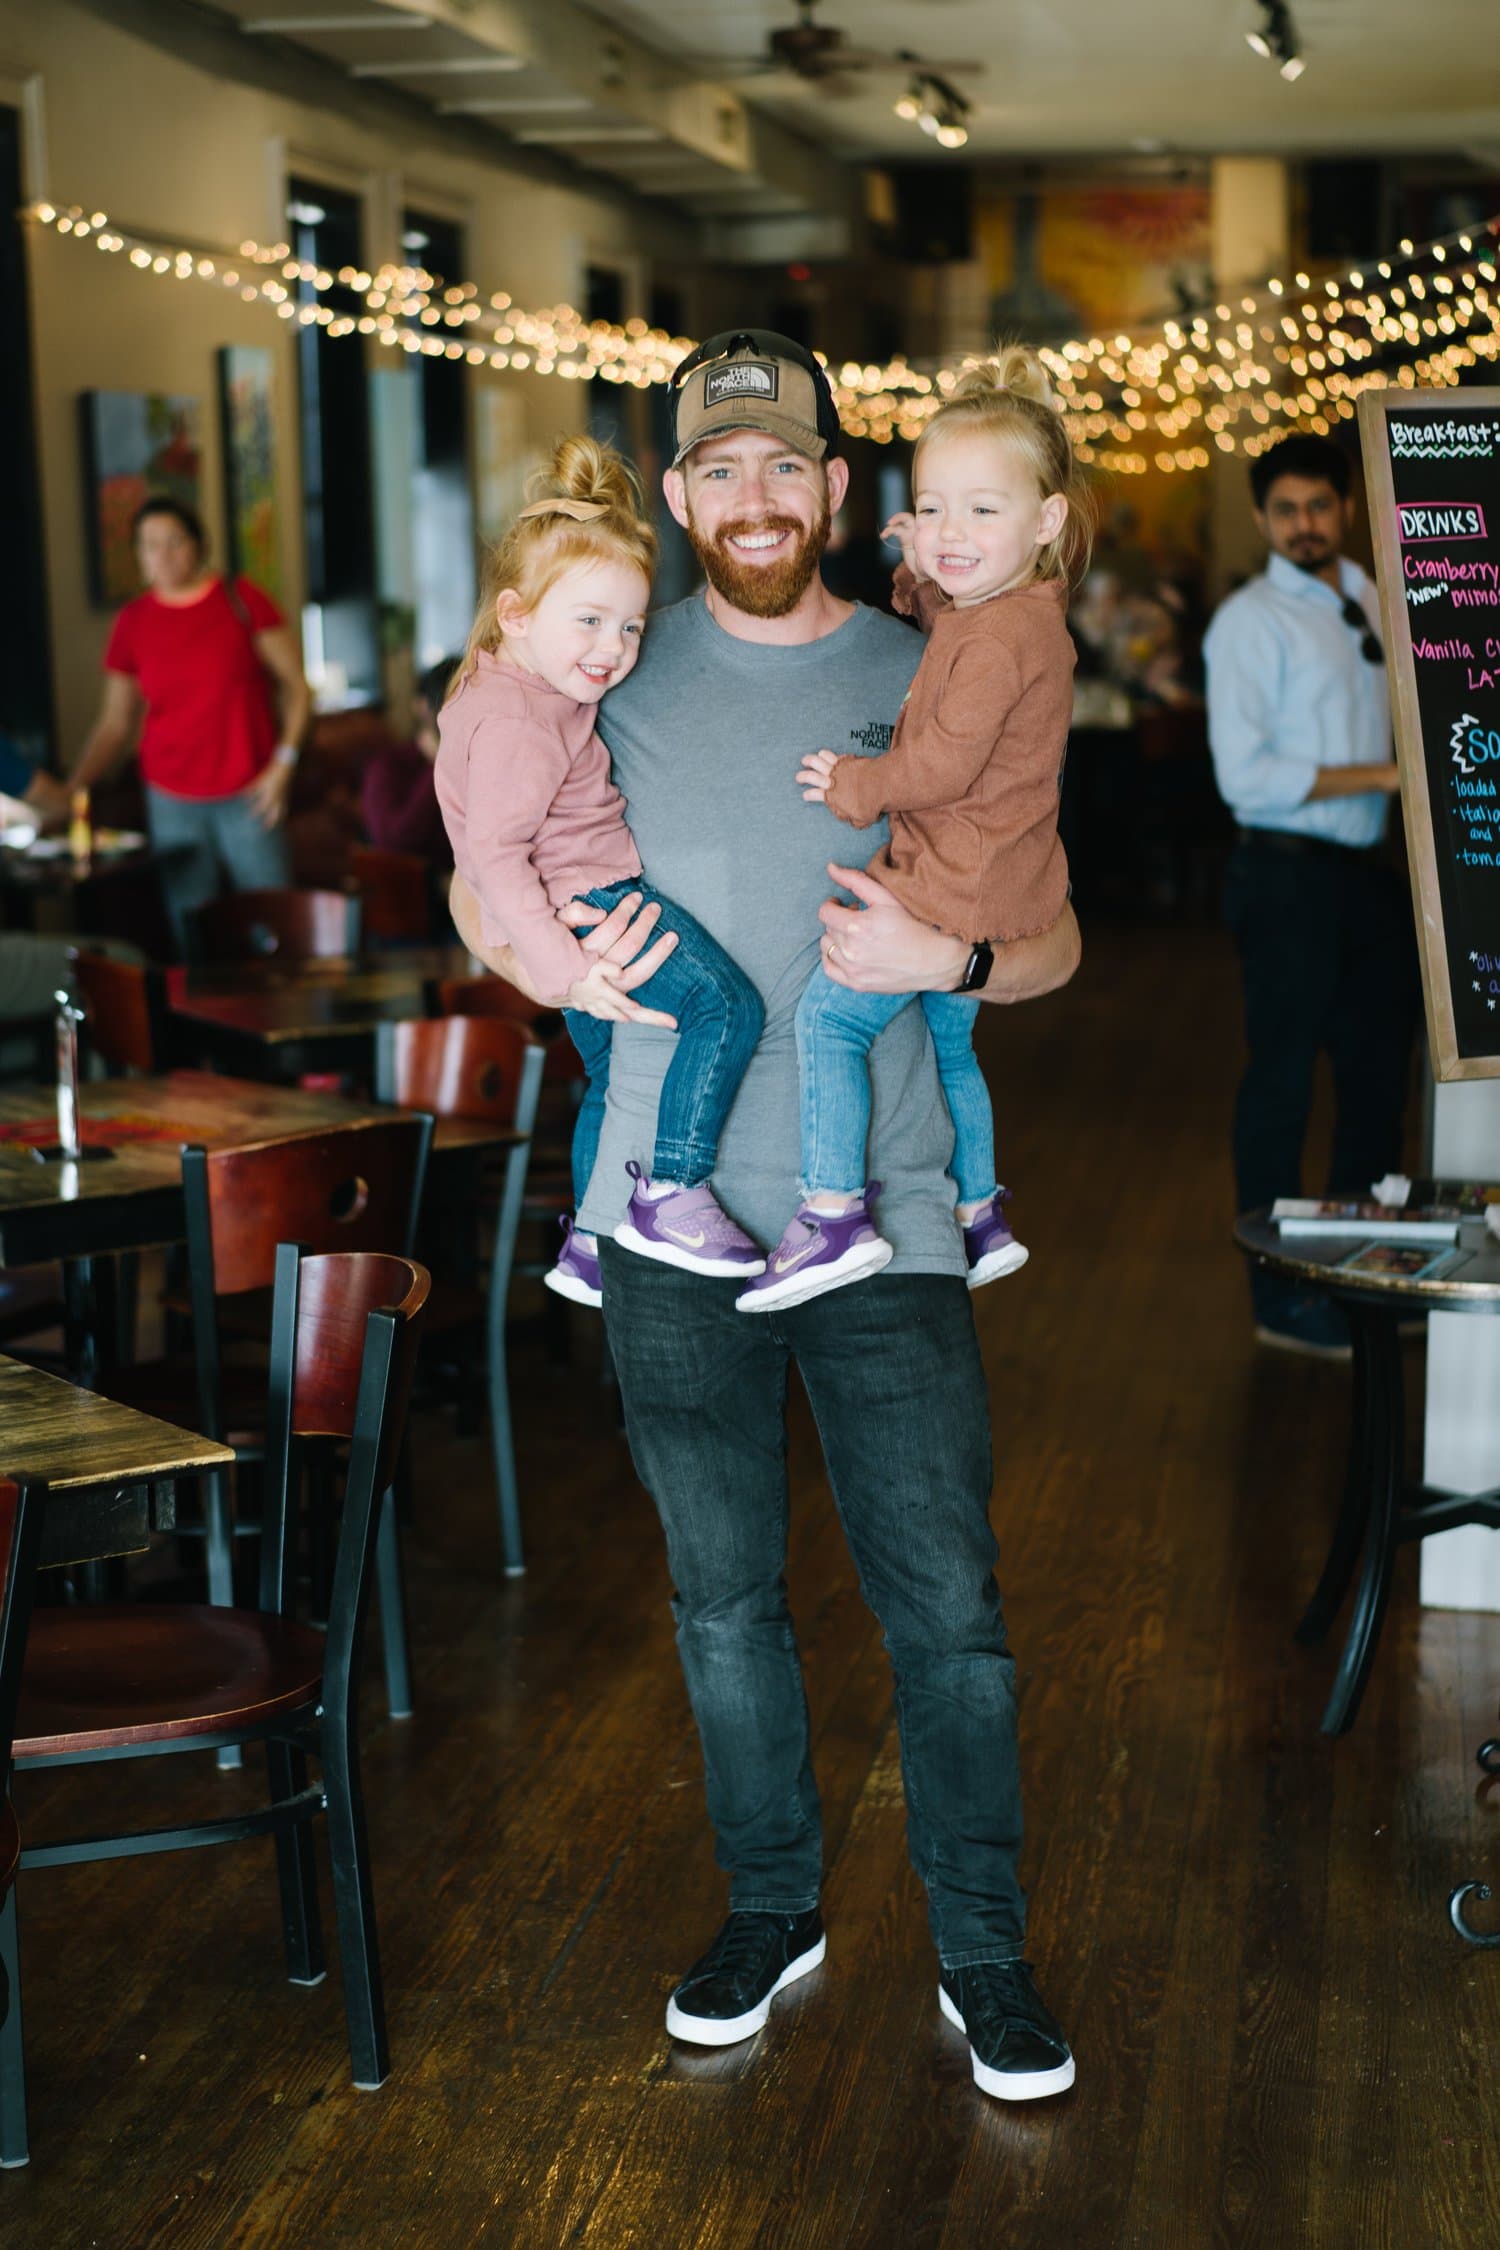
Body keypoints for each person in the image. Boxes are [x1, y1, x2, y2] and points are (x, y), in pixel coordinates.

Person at [451, 330, 1081, 2104]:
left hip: (878, 1220)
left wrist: (952, 955)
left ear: (835, 488)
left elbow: (1057, 933)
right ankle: (773, 1905)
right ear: (674, 498)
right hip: (669, 1226)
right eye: (717, 469)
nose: (753, 498)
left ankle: (981, 1943)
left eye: (783, 466)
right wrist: (552, 966)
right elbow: (475, 852)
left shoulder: (944, 664)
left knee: (947, 1607)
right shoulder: (600, 679)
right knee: (724, 1602)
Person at [738, 347, 1087, 1312]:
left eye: (983, 509)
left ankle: (833, 1211)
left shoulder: (999, 635)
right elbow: (962, 633)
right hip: (999, 882)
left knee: (826, 1021)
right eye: (932, 507)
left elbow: (942, 766)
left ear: (1048, 519)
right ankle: (980, 1208)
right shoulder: (1015, 616)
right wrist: (925, 571)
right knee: (952, 1050)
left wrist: (855, 784)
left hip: (951, 881)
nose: (948, 530)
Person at [435, 434, 766, 1306]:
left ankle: (589, 1238)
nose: (614, 648)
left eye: (627, 625)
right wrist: (563, 972)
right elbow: (494, 855)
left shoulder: (502, 686)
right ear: (515, 613)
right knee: (727, 1008)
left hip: (570, 912)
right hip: (592, 905)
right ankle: (673, 1191)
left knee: (618, 1080)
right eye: (588, 620)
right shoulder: (521, 723)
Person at [1204, 431, 1419, 1358]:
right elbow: (1245, 778)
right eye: (1285, 510)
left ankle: (1363, 1276)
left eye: (1319, 507)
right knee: (1283, 1087)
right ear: (1262, 518)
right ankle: (1280, 1297)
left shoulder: (1368, 593)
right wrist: (1385, 773)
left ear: (1344, 508)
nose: (1303, 524)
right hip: (1286, 874)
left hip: (1369, 881)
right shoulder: (1249, 622)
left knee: (1377, 1084)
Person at [68, 497, 310, 952]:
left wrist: (284, 765)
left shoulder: (241, 600)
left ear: (198, 545)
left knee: (277, 927)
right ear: (139, 555)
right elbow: (114, 725)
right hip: (171, 799)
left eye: (175, 541)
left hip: (251, 792)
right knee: (193, 935)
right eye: (150, 545)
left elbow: (297, 687)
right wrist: (73, 790)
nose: (164, 555)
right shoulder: (133, 623)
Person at [360, 656, 456, 867]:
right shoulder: (387, 767)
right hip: (416, 889)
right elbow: (392, 842)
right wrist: (439, 765)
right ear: (422, 707)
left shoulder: (483, 761)